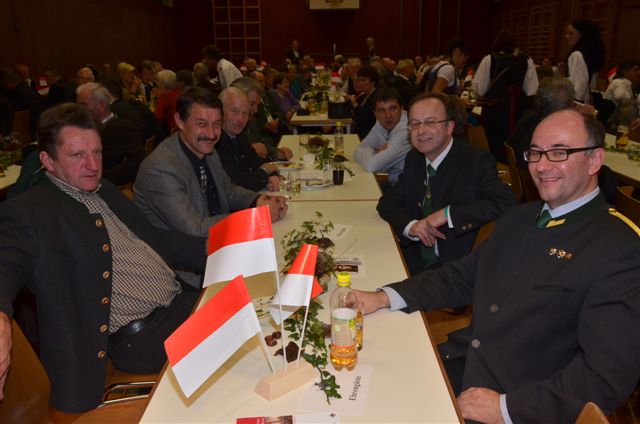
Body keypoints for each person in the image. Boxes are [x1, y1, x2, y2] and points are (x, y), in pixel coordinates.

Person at [351, 108, 640, 423]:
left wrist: (505, 408)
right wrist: (386, 296)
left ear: (595, 160)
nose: (542, 166)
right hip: (463, 363)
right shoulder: (521, 216)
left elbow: (606, 377)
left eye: (559, 152)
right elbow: (464, 276)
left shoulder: (621, 249)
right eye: (535, 153)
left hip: (518, 402)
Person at [0, 103, 208, 413]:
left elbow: (156, 239)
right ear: (48, 161)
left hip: (178, 306)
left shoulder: (102, 189)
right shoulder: (29, 212)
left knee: (251, 313)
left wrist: (218, 245)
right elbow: (5, 264)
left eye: (96, 152)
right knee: (238, 346)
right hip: (141, 339)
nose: (92, 164)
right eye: (77, 155)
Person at [133, 88, 287, 285]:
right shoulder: (161, 168)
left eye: (216, 124)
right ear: (179, 121)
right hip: (182, 274)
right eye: (201, 124)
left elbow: (228, 190)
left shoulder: (206, 150)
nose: (211, 134)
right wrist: (257, 218)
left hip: (220, 250)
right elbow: (195, 228)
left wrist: (259, 201)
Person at [377, 92, 515, 275]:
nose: (421, 131)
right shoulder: (415, 159)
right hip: (414, 259)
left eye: (430, 122)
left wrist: (447, 214)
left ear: (449, 127)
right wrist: (411, 226)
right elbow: (387, 202)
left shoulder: (475, 161)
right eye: (415, 124)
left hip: (455, 269)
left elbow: (505, 203)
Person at [471, 30, 539, 163]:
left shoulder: (489, 59)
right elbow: (532, 90)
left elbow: (479, 89)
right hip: (517, 113)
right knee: (513, 145)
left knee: (492, 146)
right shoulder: (526, 60)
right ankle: (511, 169)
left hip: (493, 112)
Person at [76, 82, 145, 186]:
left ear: (101, 105)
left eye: (83, 105)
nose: (79, 110)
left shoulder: (124, 129)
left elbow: (137, 162)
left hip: (106, 186)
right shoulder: (81, 128)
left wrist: (99, 177)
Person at [216, 87, 280, 192]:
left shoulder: (239, 137)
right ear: (220, 112)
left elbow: (260, 163)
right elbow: (238, 182)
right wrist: (264, 173)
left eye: (245, 113)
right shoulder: (216, 142)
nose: (241, 119)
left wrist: (271, 176)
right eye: (235, 112)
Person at [353, 87, 411, 185]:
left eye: (393, 109)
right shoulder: (381, 123)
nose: (388, 115)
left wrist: (372, 154)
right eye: (382, 110)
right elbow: (358, 150)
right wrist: (375, 151)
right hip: (390, 181)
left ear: (401, 109)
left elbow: (372, 166)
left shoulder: (405, 131)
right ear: (375, 114)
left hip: (405, 187)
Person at [565, 19, 606, 104]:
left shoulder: (577, 55)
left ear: (582, 35)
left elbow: (578, 90)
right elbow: (592, 84)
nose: (567, 36)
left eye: (571, 33)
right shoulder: (588, 54)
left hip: (576, 103)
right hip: (585, 100)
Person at [351, 65, 380, 140]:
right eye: (359, 80)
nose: (360, 83)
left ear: (373, 82)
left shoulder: (378, 97)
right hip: (360, 133)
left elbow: (366, 117)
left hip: (371, 136)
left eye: (364, 80)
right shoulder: (364, 95)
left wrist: (355, 104)